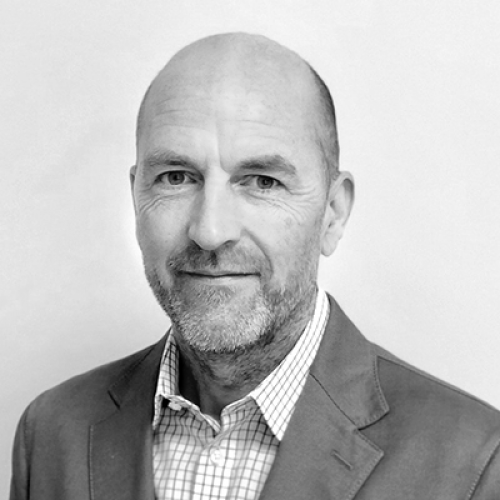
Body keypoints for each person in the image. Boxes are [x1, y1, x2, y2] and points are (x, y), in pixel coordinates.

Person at [10, 33, 500, 500]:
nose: (210, 231)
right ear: (137, 199)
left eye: (263, 181)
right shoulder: (52, 432)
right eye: (176, 177)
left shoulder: (476, 461)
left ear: (332, 214)